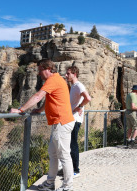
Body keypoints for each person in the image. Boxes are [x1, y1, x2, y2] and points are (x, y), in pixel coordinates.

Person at [10, 59, 75, 191]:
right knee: (53, 154)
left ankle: (68, 187)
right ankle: (50, 183)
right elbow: (50, 99)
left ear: (48, 69)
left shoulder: (53, 80)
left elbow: (38, 96)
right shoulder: (56, 80)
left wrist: (21, 109)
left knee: (64, 155)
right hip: (60, 122)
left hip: (61, 122)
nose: (39, 73)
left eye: (40, 70)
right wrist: (39, 110)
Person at [65, 65, 91, 177]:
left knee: (73, 144)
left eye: (68, 73)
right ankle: (70, 168)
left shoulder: (78, 85)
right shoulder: (73, 86)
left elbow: (88, 98)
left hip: (75, 120)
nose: (66, 75)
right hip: (71, 119)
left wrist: (80, 106)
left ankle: (76, 170)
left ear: (74, 74)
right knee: (69, 144)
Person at [125, 85, 137, 149]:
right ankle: (132, 141)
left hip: (127, 112)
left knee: (130, 128)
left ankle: (128, 141)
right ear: (135, 90)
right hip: (133, 113)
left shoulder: (128, 95)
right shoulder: (133, 95)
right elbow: (133, 107)